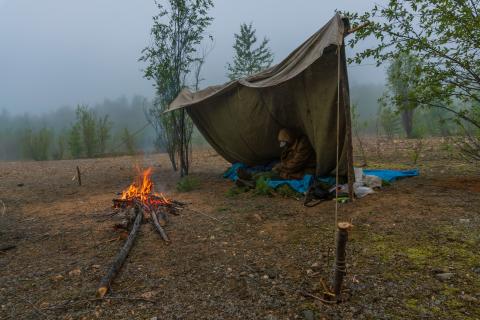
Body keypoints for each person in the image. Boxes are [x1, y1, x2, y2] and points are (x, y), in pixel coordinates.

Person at [236, 128, 316, 187]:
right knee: (273, 170)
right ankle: (250, 176)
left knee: (276, 174)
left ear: (290, 139)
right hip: (293, 168)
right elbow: (286, 160)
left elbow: (295, 164)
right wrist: (280, 165)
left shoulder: (303, 144)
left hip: (305, 170)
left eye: (285, 143)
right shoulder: (290, 145)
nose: (285, 146)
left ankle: (252, 181)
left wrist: (280, 167)